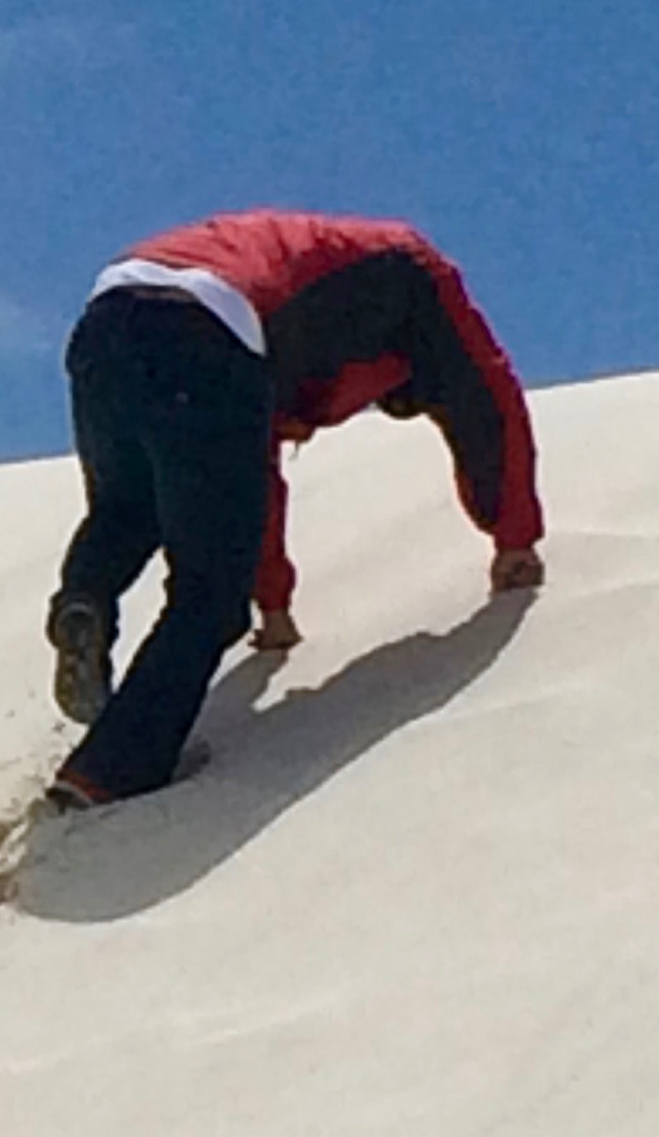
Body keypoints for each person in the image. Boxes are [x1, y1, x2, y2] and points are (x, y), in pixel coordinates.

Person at [44, 211, 546, 807]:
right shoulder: (419, 278)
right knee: (210, 597)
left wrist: (275, 602)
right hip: (207, 327)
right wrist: (515, 538)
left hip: (107, 321)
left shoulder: (317, 304)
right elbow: (488, 399)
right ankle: (107, 773)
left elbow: (251, 472)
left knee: (128, 506)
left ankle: (85, 598)